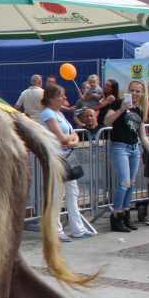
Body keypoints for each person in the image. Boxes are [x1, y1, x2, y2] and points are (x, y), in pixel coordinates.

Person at [40, 84, 96, 240]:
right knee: (57, 195)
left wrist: (71, 141)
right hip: (56, 158)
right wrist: (70, 140)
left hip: (67, 157)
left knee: (73, 193)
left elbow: (72, 135)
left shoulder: (58, 113)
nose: (64, 98)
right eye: (61, 96)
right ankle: (56, 232)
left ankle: (78, 229)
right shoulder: (47, 113)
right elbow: (62, 138)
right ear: (51, 98)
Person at [103, 80, 149, 232]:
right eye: (132, 90)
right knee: (124, 183)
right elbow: (106, 121)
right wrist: (121, 109)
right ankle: (116, 216)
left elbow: (143, 136)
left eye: (137, 91)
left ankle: (126, 215)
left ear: (142, 94)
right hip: (120, 147)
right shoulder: (118, 103)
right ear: (127, 91)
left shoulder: (139, 110)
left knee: (131, 184)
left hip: (134, 148)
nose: (134, 93)